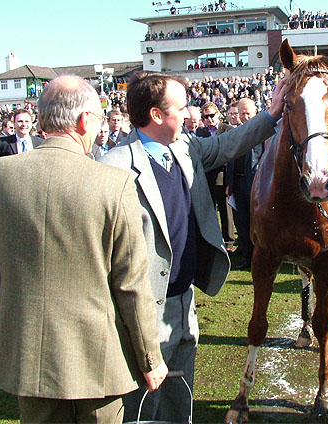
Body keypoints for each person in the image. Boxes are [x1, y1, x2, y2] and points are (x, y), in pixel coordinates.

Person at [99, 72, 286, 423]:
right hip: (143, 312)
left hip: (184, 301)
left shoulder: (185, 147)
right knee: (144, 406)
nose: (189, 113)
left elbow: (229, 144)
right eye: (182, 107)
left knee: (178, 401)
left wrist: (271, 114)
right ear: (157, 115)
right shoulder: (114, 167)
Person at [0, 75, 167, 423]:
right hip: (98, 357)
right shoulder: (114, 183)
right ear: (84, 120)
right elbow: (131, 283)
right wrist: (151, 358)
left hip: (27, 352)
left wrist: (2, 332)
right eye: (98, 119)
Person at [226, 98, 261, 270]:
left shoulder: (264, 132)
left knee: (257, 222)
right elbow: (230, 160)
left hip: (257, 184)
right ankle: (247, 256)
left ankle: (260, 257)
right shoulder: (236, 132)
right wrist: (229, 184)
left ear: (255, 112)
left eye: (248, 113)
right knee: (242, 221)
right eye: (242, 113)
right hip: (238, 184)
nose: (245, 116)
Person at [196, 102, 235, 252]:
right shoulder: (200, 132)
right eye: (206, 117)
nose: (209, 119)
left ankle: (229, 242)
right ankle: (212, 239)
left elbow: (231, 154)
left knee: (226, 211)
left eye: (212, 115)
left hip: (223, 176)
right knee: (209, 211)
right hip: (207, 178)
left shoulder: (227, 129)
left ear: (218, 114)